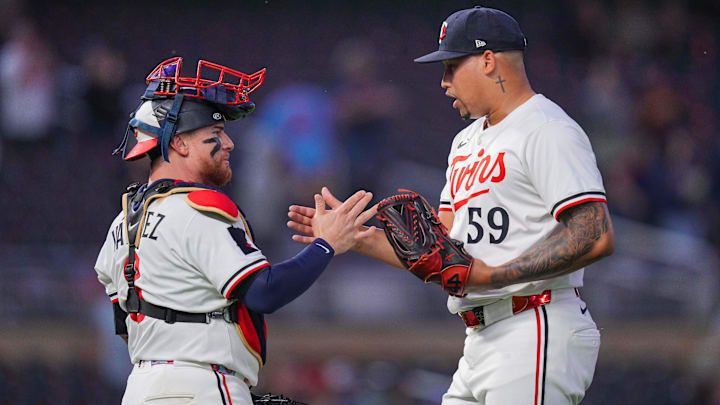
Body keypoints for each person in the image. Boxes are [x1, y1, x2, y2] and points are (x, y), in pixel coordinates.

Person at [288, 6, 614, 405]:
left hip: (535, 323)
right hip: (480, 338)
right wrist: (356, 237)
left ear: (489, 61)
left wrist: (497, 274)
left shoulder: (547, 129)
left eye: (451, 67)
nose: (443, 82)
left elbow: (594, 234)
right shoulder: (465, 142)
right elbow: (439, 253)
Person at [94, 57, 374, 405]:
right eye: (215, 133)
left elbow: (125, 325)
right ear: (179, 143)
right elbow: (264, 293)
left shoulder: (121, 222)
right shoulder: (198, 207)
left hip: (141, 389)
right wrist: (326, 244)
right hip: (202, 385)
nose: (229, 143)